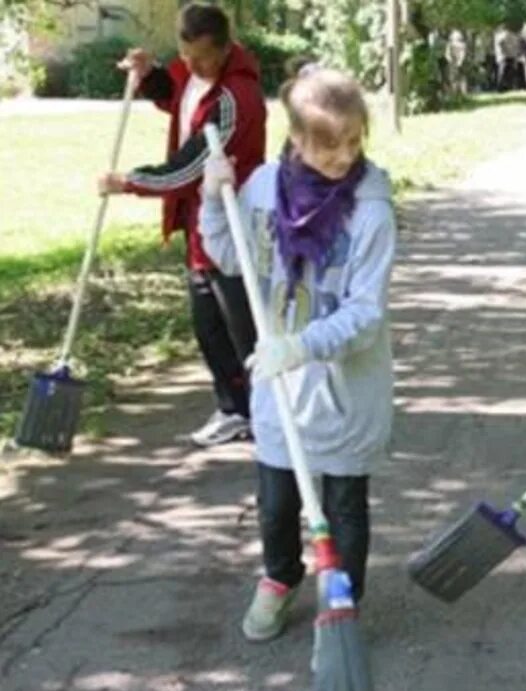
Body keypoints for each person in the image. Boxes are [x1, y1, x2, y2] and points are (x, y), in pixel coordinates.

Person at [199, 65, 397, 641]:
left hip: (343, 391)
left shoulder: (371, 209)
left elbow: (364, 314)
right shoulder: (261, 188)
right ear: (296, 139)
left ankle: (341, 604)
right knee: (276, 502)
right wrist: (214, 198)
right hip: (279, 389)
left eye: (354, 142)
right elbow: (229, 256)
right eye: (329, 145)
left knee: (343, 505)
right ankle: (280, 578)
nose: (344, 156)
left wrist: (301, 344)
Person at [104, 2, 267, 447]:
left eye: (200, 58)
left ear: (224, 48)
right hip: (198, 221)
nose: (191, 66)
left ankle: (269, 410)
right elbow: (174, 94)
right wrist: (149, 75)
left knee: (243, 322)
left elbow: (191, 166)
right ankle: (235, 409)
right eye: (184, 55)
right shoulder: (194, 72)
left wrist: (130, 182)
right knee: (208, 324)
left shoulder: (237, 97)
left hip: (233, 221)